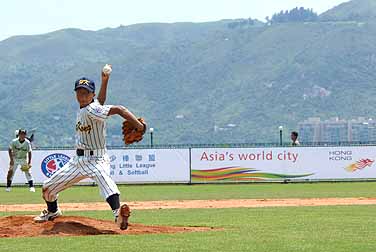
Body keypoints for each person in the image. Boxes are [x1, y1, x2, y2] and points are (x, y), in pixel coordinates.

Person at [33, 66, 145, 231]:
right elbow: (101, 101)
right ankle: (53, 212)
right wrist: (105, 81)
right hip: (78, 161)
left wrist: (139, 126)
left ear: (91, 95)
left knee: (103, 178)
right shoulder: (88, 107)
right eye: (79, 92)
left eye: (86, 93)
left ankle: (118, 214)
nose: (82, 95)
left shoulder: (91, 109)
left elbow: (120, 109)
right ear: (76, 94)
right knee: (48, 189)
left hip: (97, 158)